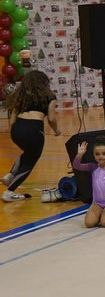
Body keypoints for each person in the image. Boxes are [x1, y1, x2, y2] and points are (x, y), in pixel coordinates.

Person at [1, 70, 60, 201]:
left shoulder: (21, 94)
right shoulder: (49, 96)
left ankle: (11, 175)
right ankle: (10, 192)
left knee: (28, 153)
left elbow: (13, 117)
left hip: (16, 130)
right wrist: (56, 130)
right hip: (33, 130)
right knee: (30, 162)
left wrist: (14, 132)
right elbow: (51, 118)